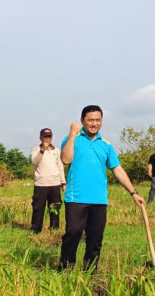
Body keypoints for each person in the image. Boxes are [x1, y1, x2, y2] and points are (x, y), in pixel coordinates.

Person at [59, 105, 145, 271]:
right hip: (76, 198)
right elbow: (65, 159)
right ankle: (65, 270)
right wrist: (72, 133)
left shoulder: (106, 145)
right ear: (82, 120)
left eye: (97, 120)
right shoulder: (72, 139)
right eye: (90, 120)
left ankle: (90, 272)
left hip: (99, 200)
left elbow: (117, 169)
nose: (94, 123)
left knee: (95, 239)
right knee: (73, 234)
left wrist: (134, 193)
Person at [30, 127, 66, 233]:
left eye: (49, 136)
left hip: (54, 183)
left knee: (55, 207)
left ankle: (54, 229)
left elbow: (60, 167)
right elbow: (35, 162)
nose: (47, 139)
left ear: (52, 137)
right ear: (40, 137)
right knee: (38, 208)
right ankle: (36, 230)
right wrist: (42, 150)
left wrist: (63, 182)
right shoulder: (36, 149)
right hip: (41, 184)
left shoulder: (56, 150)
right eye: (45, 136)